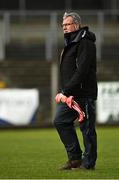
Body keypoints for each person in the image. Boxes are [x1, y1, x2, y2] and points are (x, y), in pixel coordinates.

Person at [54, 12, 98, 170]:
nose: (64, 27)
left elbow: (82, 71)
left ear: (77, 25)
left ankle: (88, 163)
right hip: (71, 94)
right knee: (60, 121)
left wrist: (64, 91)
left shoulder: (85, 42)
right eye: (63, 25)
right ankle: (74, 159)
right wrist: (65, 91)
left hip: (83, 94)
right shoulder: (71, 42)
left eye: (68, 24)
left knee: (87, 129)